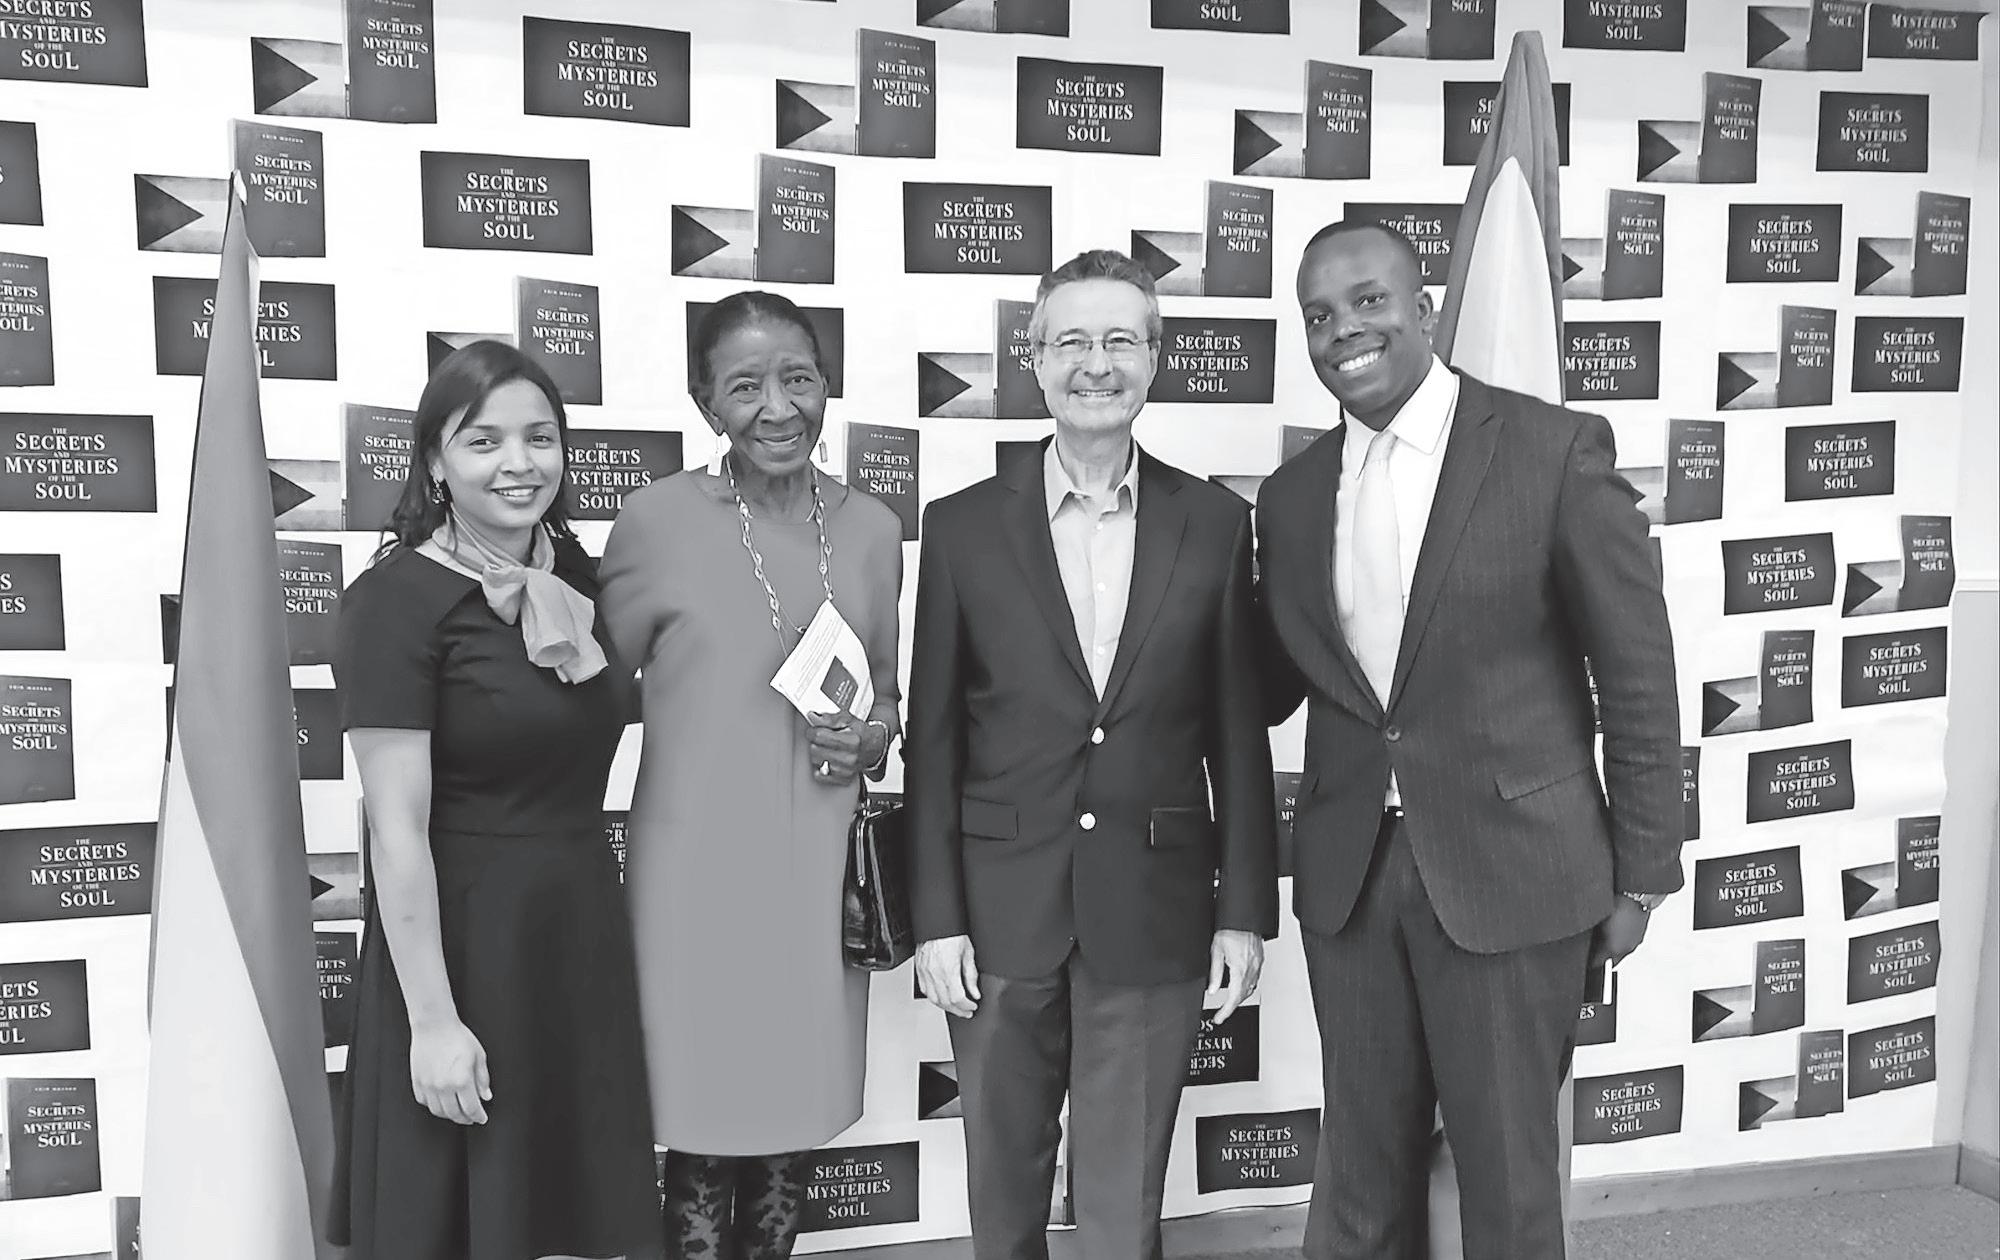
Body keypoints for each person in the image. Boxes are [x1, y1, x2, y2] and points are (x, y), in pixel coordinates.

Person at [1255, 219, 1682, 1260]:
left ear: (1426, 308)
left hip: (1514, 877)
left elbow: (1636, 674)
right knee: (1360, 1185)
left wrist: (1640, 875)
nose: (1343, 331)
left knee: (1506, 1187)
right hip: (1351, 883)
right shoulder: (1290, 495)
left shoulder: (1550, 450)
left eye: (1367, 301)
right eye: (1318, 315)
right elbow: (1275, 678)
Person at [906, 249, 1278, 1260]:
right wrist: (936, 919)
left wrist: (1242, 910)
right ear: (1032, 359)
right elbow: (933, 739)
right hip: (998, 908)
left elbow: (1236, 732)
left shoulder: (1215, 523)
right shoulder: (959, 527)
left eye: (1120, 339)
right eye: (1070, 340)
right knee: (1003, 1194)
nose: (1095, 363)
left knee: (1123, 1204)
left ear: (1155, 358)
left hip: (1154, 907)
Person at [329, 340, 661, 1260]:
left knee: (573, 1213)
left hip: (576, 928)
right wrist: (434, 1023)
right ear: (435, 462)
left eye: (540, 438)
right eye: (484, 442)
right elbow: (396, 831)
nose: (520, 463)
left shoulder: (579, 581)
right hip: (461, 943)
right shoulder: (393, 603)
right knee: (460, 1217)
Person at [598, 291, 904, 1260]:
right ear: (704, 404)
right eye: (744, 387)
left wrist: (871, 739)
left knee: (788, 1132)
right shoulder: (655, 523)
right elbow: (589, 699)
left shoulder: (871, 529)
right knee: (701, 1130)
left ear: (828, 385)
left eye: (798, 379)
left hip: (817, 880)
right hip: (693, 885)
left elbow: (887, 699)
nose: (778, 408)